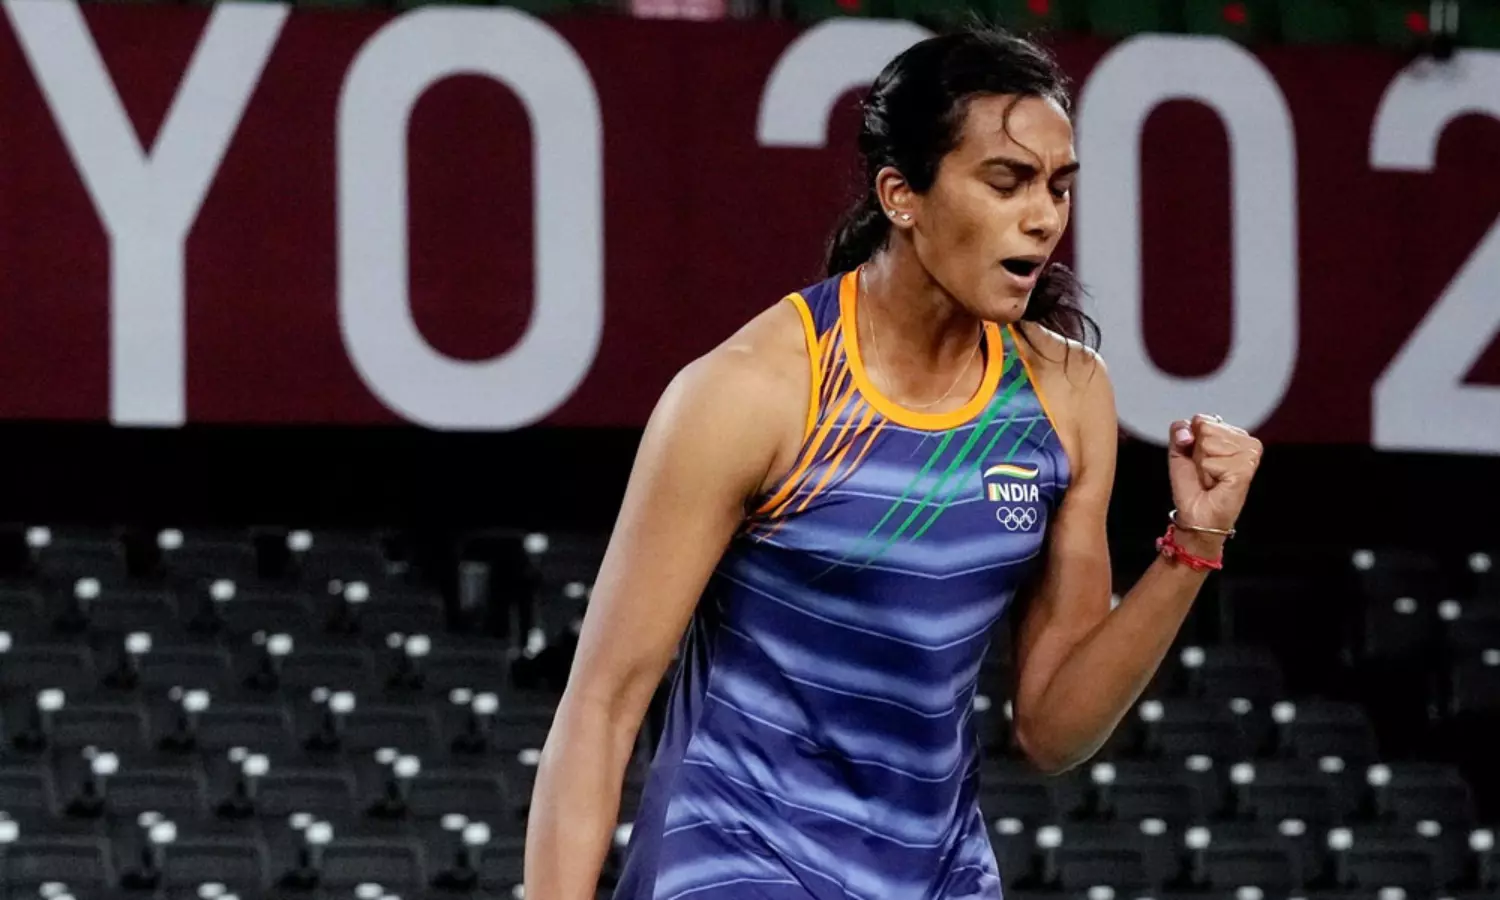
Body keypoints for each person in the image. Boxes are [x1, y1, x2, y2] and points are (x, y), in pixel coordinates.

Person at [525, 26, 1263, 900]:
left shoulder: (1065, 396)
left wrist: (1193, 544)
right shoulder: (752, 394)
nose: (1043, 217)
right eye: (1007, 181)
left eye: (1059, 186)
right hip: (736, 857)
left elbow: (1053, 730)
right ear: (901, 195)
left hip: (937, 872)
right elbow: (601, 708)